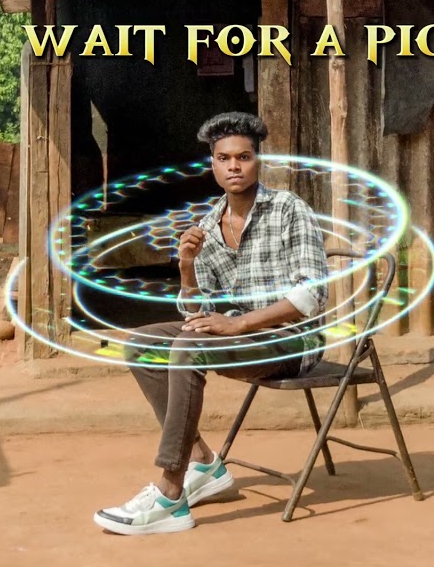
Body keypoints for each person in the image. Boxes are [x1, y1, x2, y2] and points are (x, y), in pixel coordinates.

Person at [93, 112, 330, 535]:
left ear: (259, 161)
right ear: (213, 165)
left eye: (244, 157)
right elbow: (196, 313)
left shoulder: (289, 210)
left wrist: (239, 325)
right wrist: (186, 267)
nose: (234, 167)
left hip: (290, 342)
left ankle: (170, 493)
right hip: (238, 339)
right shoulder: (208, 227)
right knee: (141, 343)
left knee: (189, 348)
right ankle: (203, 462)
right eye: (224, 158)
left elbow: (311, 296)